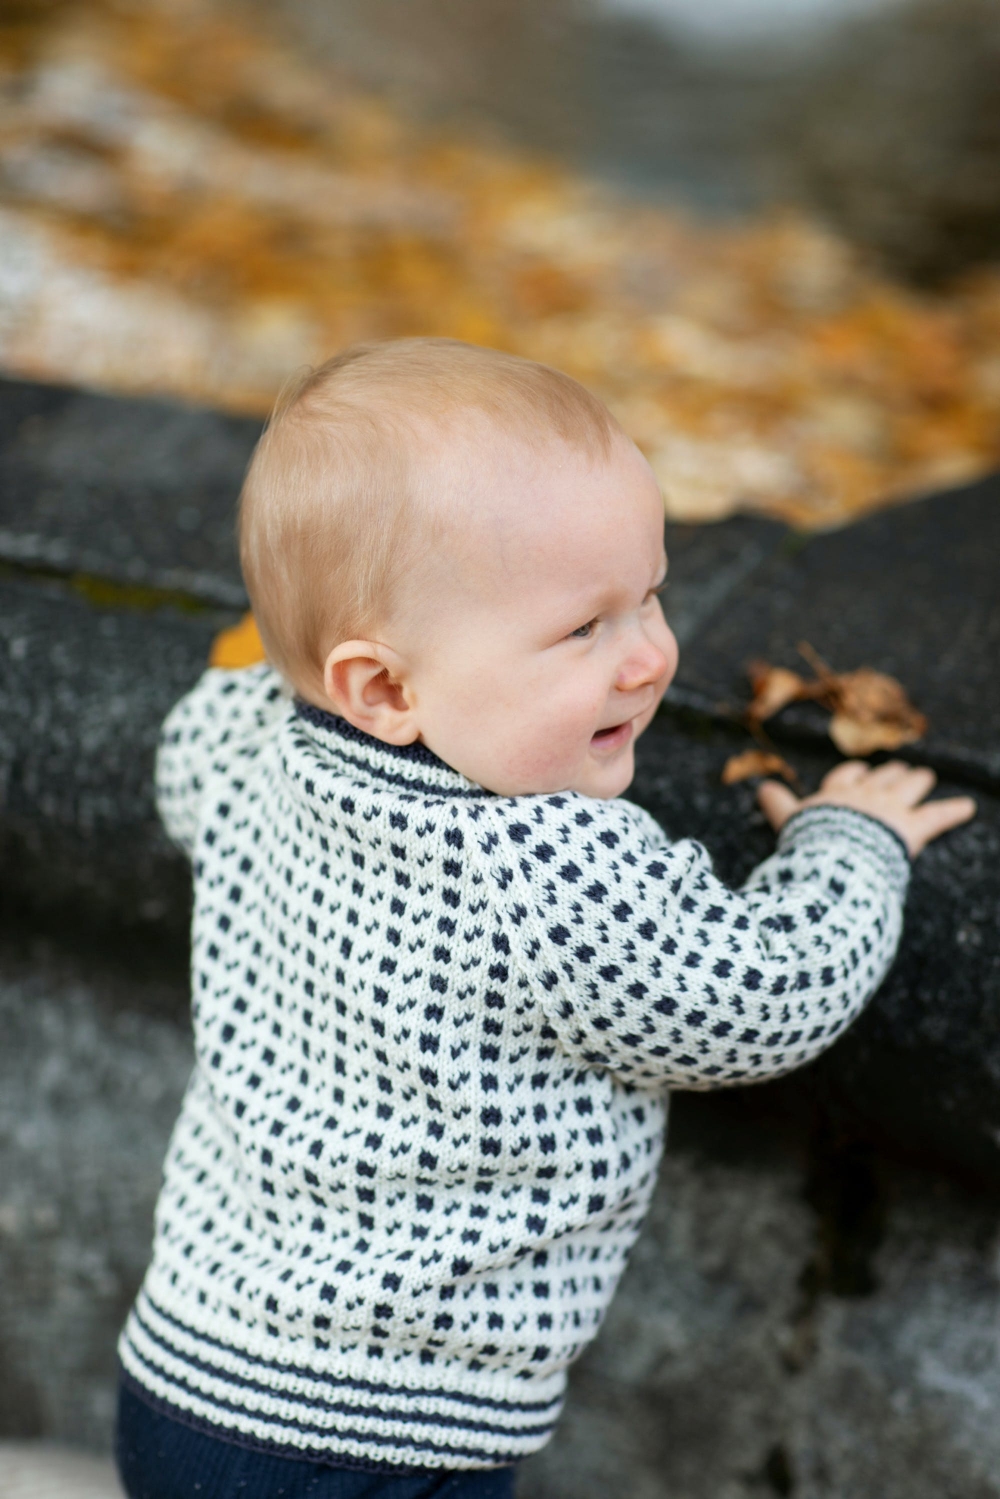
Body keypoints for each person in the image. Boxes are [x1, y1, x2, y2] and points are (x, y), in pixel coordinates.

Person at [115, 339, 975, 1498]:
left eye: (651, 593)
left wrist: (269, 646)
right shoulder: (547, 865)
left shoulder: (251, 745)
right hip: (375, 1441)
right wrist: (850, 845)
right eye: (583, 630)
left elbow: (196, 730)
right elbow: (756, 991)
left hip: (184, 1371)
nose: (650, 656)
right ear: (383, 687)